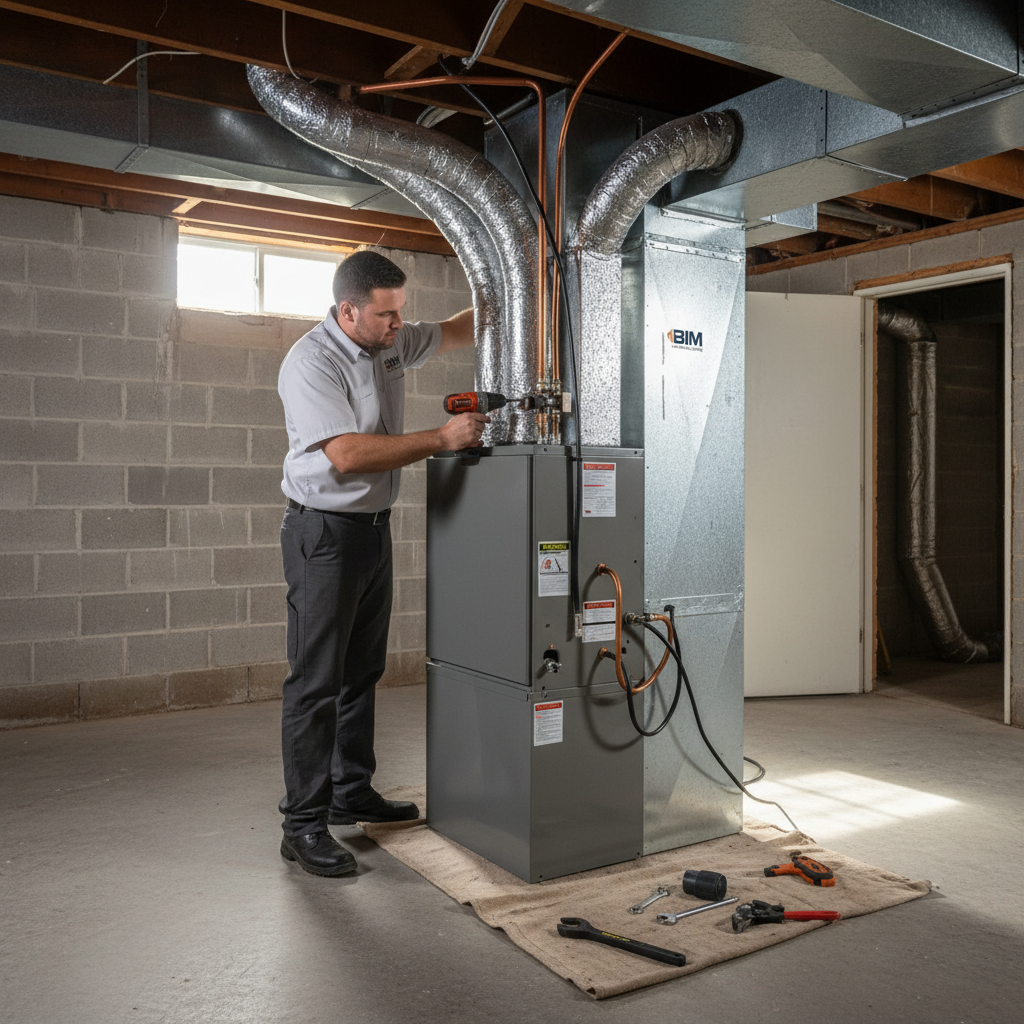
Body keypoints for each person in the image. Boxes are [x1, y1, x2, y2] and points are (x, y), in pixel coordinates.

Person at [276, 249, 488, 876]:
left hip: (372, 530)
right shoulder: (311, 362)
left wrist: (512, 291)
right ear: (348, 311)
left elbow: (456, 329)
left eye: (401, 312)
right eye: (386, 314)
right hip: (323, 533)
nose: (400, 324)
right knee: (316, 681)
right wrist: (440, 439)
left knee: (361, 672)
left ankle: (350, 792)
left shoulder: (388, 342)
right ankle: (302, 825)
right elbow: (345, 454)